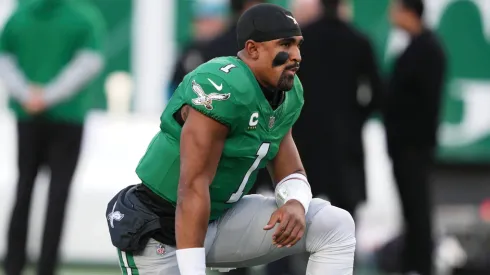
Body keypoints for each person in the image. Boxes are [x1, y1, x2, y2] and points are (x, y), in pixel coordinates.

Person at [106, 4, 355, 275]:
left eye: (298, 45)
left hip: (222, 217)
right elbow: (192, 188)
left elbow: (291, 170)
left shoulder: (286, 92)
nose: (296, 56)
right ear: (252, 49)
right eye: (285, 44)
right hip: (163, 229)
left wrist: (295, 202)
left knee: (334, 224)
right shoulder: (221, 88)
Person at [0, 0, 105, 274]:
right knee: (58, 193)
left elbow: (5, 59)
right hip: (68, 116)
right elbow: (89, 63)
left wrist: (28, 95)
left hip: (28, 116)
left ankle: (13, 264)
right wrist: (48, 97)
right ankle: (46, 266)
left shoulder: (20, 15)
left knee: (24, 188)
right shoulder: (84, 15)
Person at [294, 0, 383, 217]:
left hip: (307, 136)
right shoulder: (359, 41)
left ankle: (300, 252)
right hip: (346, 139)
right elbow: (379, 93)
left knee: (302, 205)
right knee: (345, 213)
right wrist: (357, 117)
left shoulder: (303, 41)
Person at [382, 0, 447, 274]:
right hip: (404, 145)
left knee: (418, 208)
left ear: (410, 13)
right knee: (410, 209)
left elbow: (420, 102)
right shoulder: (415, 47)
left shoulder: (427, 50)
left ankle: (421, 264)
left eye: (396, 9)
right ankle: (412, 262)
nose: (391, 15)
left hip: (413, 146)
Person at [169, 0, 264, 94]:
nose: (205, 24)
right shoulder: (191, 52)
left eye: (210, 18)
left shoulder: (237, 48)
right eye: (200, 19)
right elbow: (173, 89)